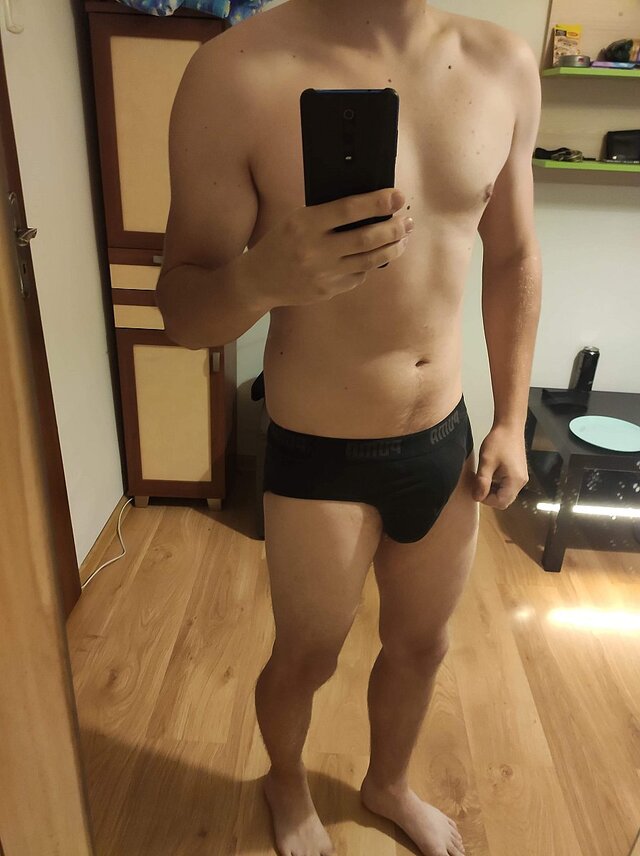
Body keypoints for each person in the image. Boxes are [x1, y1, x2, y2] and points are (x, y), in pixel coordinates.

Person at [156, 1, 542, 854]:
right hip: (318, 452)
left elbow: (514, 254)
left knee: (423, 646)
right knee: (306, 657)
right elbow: (182, 310)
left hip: (444, 437)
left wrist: (512, 419)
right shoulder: (235, 72)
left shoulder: (504, 63)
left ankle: (387, 783)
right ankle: (285, 783)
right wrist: (261, 278)